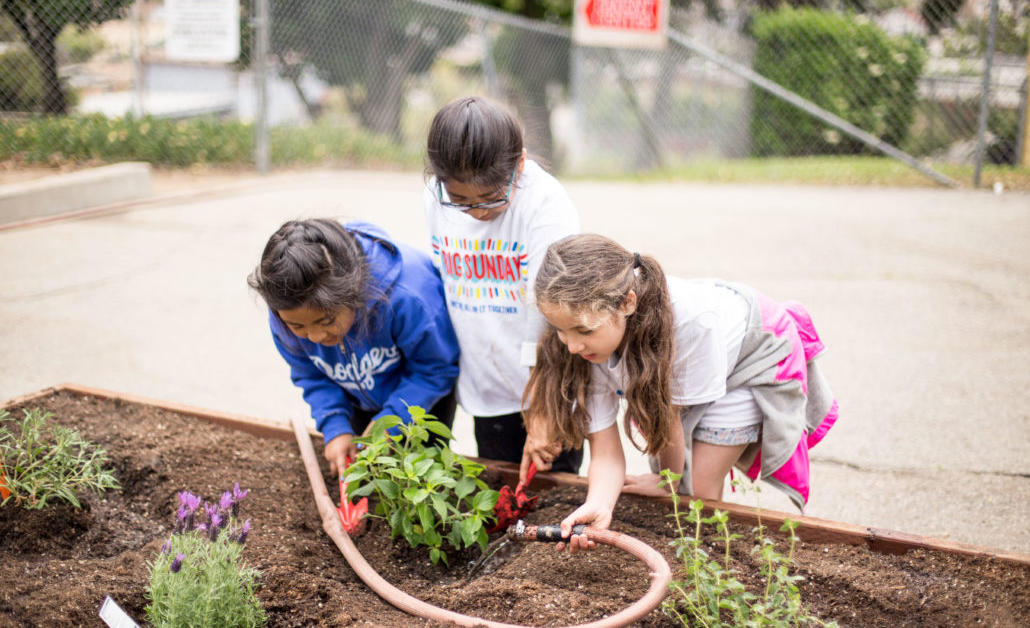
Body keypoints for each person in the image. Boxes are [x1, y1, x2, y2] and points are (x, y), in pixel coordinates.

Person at [521, 234, 838, 552]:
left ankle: (707, 558)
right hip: (692, 361)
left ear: (627, 303)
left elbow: (671, 416)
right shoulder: (586, 345)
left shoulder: (694, 326)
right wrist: (600, 503)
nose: (572, 346)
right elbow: (604, 449)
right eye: (560, 330)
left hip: (748, 358)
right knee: (680, 483)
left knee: (698, 490)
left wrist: (669, 481)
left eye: (585, 331)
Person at [423, 95, 583, 473]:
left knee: (553, 494)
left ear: (520, 164)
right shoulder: (433, 196)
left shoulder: (546, 205)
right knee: (501, 488)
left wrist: (542, 408)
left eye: (492, 197)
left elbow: (545, 314)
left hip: (547, 380)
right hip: (490, 383)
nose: (477, 211)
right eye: (460, 200)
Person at [248, 218, 460, 475]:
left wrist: (390, 423)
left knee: (423, 472)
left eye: (326, 321)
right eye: (298, 327)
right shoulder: (285, 310)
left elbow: (434, 369)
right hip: (353, 394)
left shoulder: (408, 296)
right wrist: (335, 425)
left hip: (422, 396)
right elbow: (311, 374)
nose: (314, 336)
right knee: (366, 465)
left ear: (355, 289)